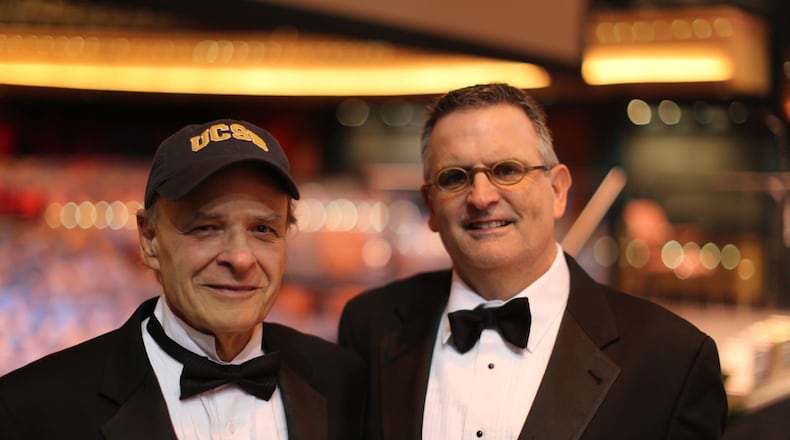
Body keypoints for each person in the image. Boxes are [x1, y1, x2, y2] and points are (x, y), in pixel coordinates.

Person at [338, 83, 728, 439]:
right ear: (431, 208)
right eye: (455, 177)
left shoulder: (671, 358)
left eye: (507, 170)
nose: (481, 197)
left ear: (558, 191)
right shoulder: (371, 326)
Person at [0, 119, 366, 439]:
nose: (240, 258)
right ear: (149, 240)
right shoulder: (36, 408)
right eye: (206, 227)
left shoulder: (343, 382)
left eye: (262, 229)